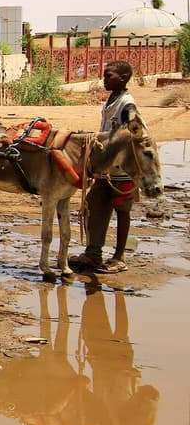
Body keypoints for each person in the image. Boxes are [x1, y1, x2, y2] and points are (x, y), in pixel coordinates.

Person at [71, 60, 138, 274]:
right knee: (94, 205)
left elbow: (131, 132)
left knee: (122, 210)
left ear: (123, 78)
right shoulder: (111, 100)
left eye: (108, 76)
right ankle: (93, 253)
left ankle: (119, 257)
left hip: (122, 170)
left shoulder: (127, 104)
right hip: (106, 168)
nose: (104, 80)